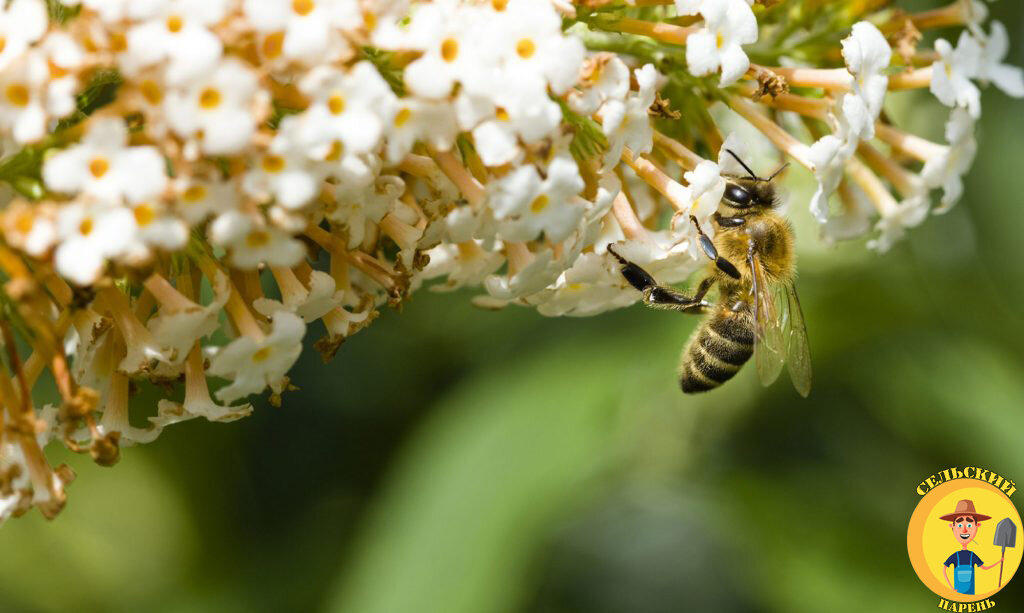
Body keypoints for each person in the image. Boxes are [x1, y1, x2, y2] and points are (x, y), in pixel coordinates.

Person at [940, 499, 1003, 595]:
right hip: (957, 593)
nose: (964, 530)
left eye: (969, 525)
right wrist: (951, 588)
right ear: (952, 526)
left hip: (971, 593)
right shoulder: (955, 556)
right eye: (960, 525)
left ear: (977, 526)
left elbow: (984, 568)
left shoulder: (972, 556)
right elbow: (944, 570)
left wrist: (999, 562)